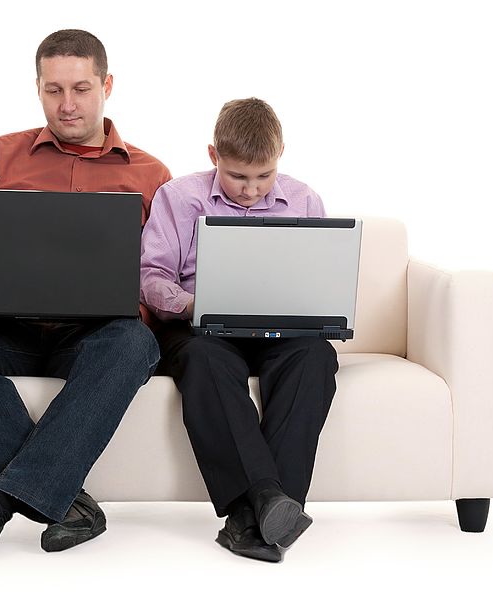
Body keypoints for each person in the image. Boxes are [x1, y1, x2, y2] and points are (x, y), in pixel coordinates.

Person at [0, 29, 171, 563]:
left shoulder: (150, 175)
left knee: (135, 343)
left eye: (81, 88)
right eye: (53, 90)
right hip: (5, 327)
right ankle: (69, 503)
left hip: (91, 337)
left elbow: (167, 271)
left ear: (107, 85)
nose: (67, 104)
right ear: (38, 89)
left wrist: (123, 301)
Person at [140, 98, 338, 563]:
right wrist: (199, 304)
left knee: (316, 357)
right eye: (237, 177)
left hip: (281, 331)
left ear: (281, 154)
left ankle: (253, 518)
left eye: (263, 176)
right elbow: (151, 279)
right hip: (202, 329)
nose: (250, 190)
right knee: (204, 361)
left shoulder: (306, 199)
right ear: (213, 156)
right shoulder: (178, 197)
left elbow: (321, 278)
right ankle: (270, 502)